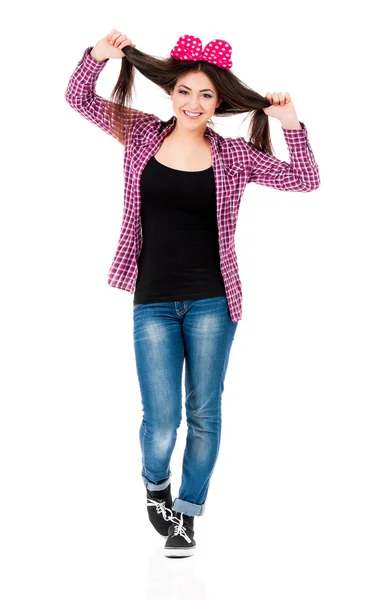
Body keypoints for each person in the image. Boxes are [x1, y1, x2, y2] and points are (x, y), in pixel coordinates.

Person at [65, 30, 320, 559]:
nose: (193, 103)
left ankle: (187, 514)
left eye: (206, 95)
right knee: (160, 421)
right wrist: (96, 58)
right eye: (184, 91)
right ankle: (154, 483)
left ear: (219, 101)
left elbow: (306, 179)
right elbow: (78, 98)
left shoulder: (235, 156)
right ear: (171, 94)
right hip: (153, 300)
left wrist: (292, 126)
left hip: (213, 301)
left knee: (204, 413)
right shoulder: (139, 135)